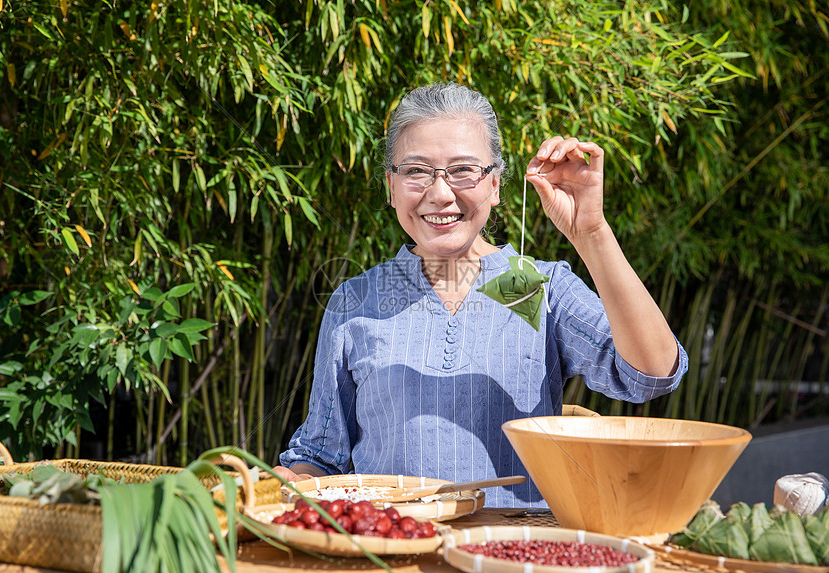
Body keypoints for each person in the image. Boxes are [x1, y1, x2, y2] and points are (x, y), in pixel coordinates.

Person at [273, 83, 687, 507]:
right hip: (395, 550)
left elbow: (651, 374)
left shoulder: (526, 285)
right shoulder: (358, 301)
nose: (440, 193)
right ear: (390, 187)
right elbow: (322, 457)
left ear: (495, 184)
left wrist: (592, 233)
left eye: (463, 170)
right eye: (416, 171)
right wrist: (289, 483)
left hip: (518, 551)